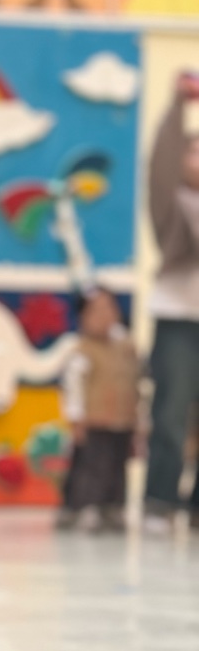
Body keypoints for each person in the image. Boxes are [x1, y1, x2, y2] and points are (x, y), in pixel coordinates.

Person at [145, 73, 199, 531]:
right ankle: (160, 501)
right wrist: (179, 104)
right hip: (179, 321)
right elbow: (161, 161)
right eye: (193, 151)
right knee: (170, 414)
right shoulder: (173, 201)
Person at [57, 288, 139, 532]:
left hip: (122, 420)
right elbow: (73, 387)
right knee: (90, 466)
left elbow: (135, 382)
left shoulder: (126, 347)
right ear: (83, 317)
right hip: (93, 421)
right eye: (96, 311)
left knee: (117, 467)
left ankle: (112, 507)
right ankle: (80, 507)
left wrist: (139, 418)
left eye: (109, 308)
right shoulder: (82, 351)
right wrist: (75, 418)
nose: (104, 316)